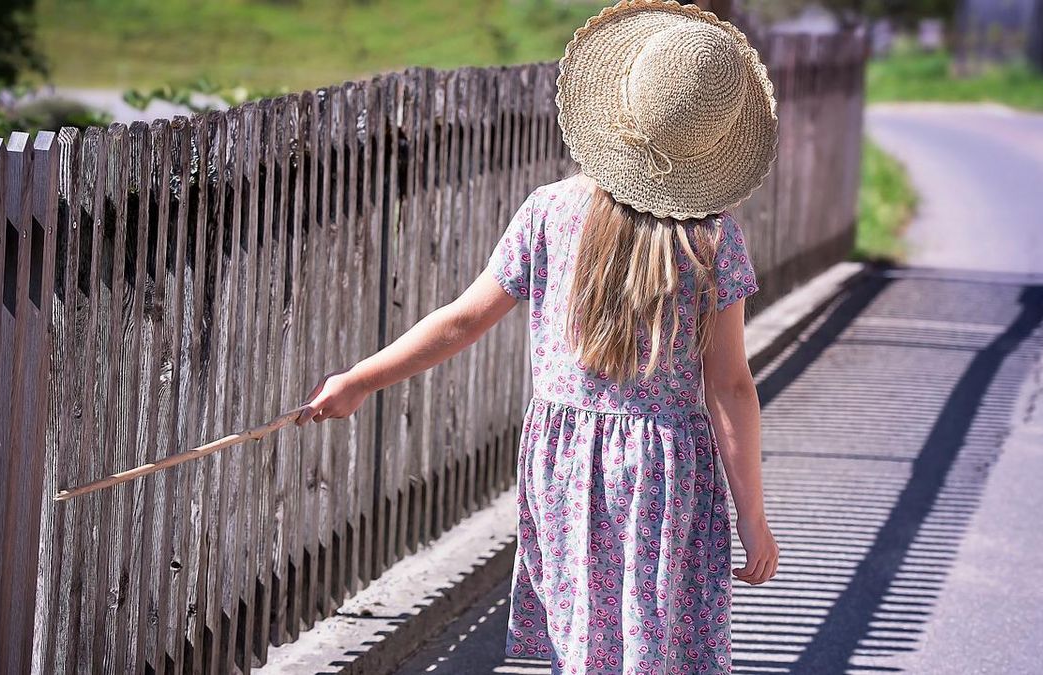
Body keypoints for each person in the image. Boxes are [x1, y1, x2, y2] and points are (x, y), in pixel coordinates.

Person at [296, 1, 779, 672]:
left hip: (568, 464)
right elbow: (730, 385)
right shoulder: (711, 238)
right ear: (712, 145)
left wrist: (358, 380)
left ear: (618, 109)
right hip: (666, 471)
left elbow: (461, 320)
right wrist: (751, 514)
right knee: (656, 642)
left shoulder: (548, 212)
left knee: (588, 641)